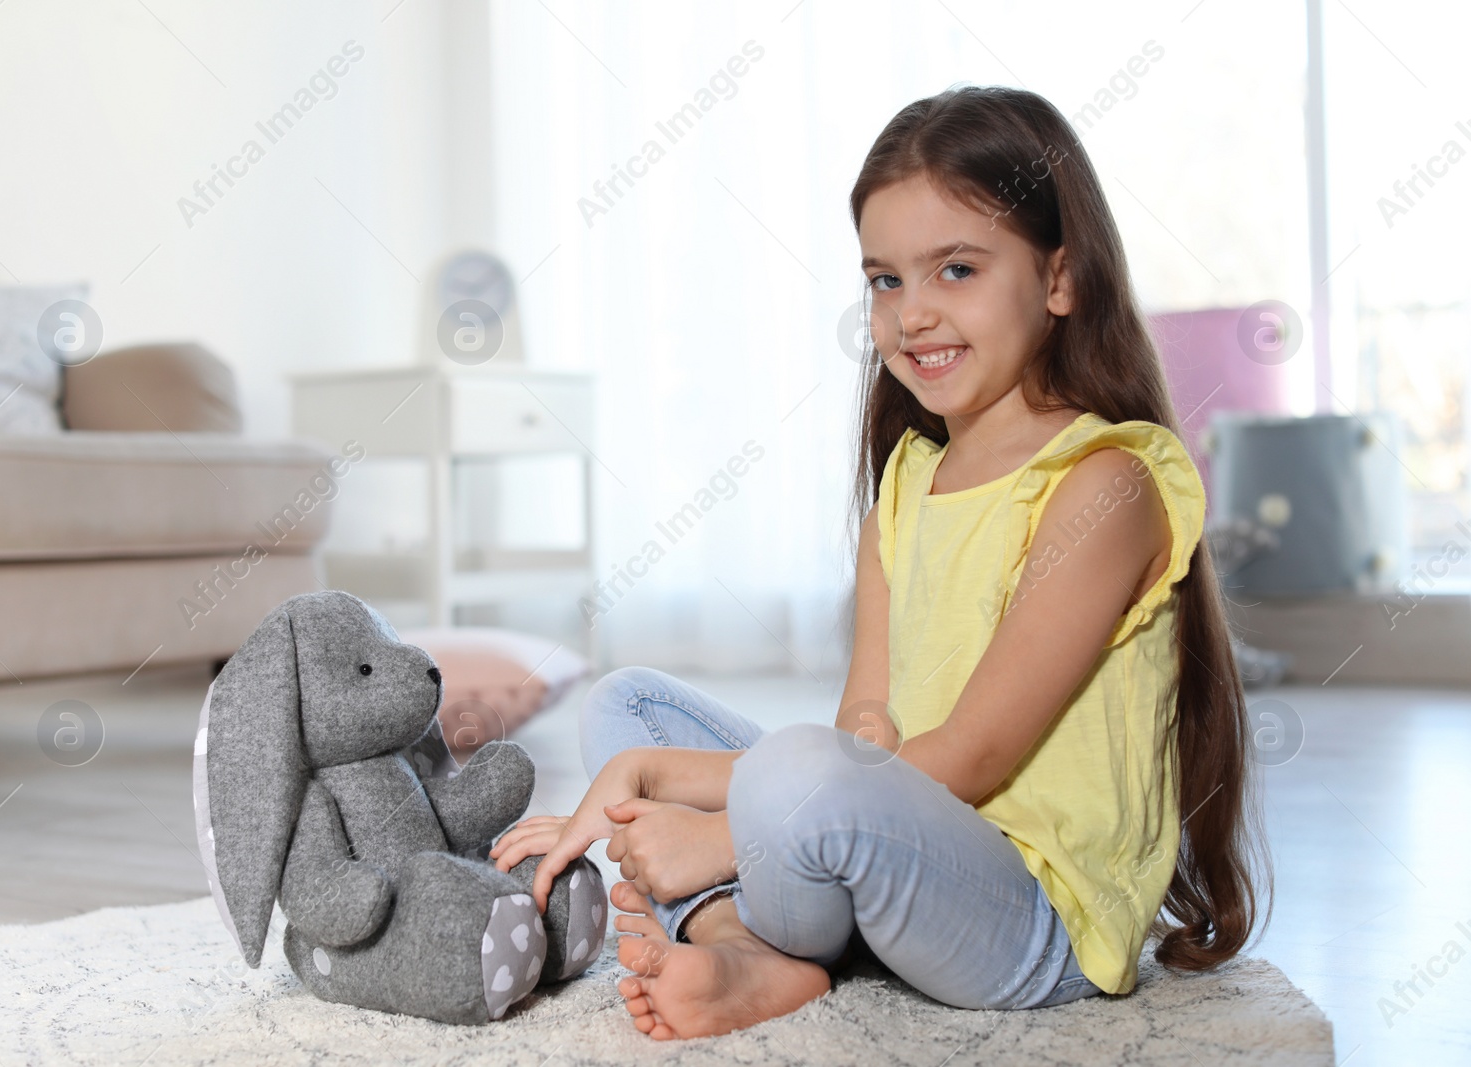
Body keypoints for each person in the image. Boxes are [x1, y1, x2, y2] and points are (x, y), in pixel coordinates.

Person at [491, 85, 1269, 1041]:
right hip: (892, 842)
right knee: (629, 707)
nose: (913, 316)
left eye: (955, 269)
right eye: (885, 281)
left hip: (1027, 922)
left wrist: (717, 830)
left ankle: (743, 910)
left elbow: (972, 756)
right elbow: (867, 746)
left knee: (794, 774)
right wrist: (649, 766)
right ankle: (749, 950)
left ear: (1060, 278)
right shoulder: (904, 491)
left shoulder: (1105, 485)